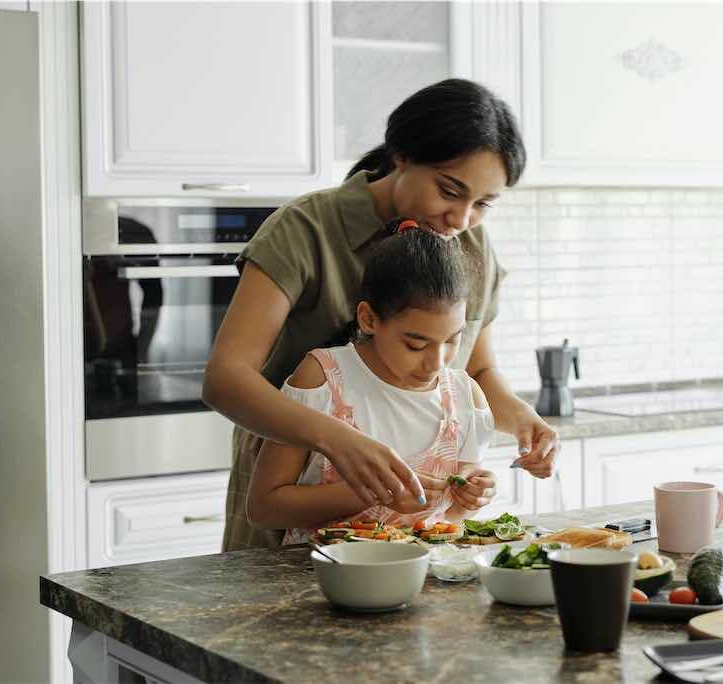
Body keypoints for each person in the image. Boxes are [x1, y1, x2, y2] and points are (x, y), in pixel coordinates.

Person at [203, 78, 560, 550]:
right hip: (293, 500)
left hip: (411, 534)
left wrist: (522, 419)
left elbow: (475, 369)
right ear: (402, 155)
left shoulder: (470, 244)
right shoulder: (305, 229)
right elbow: (225, 378)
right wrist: (337, 439)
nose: (461, 218)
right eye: (449, 190)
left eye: (482, 205)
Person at [248, 223, 495, 543]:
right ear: (368, 319)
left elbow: (452, 518)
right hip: (319, 580)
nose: (437, 362)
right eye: (416, 345)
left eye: (452, 340)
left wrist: (471, 498)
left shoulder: (465, 398)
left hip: (424, 580)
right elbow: (264, 508)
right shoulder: (323, 378)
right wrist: (371, 493)